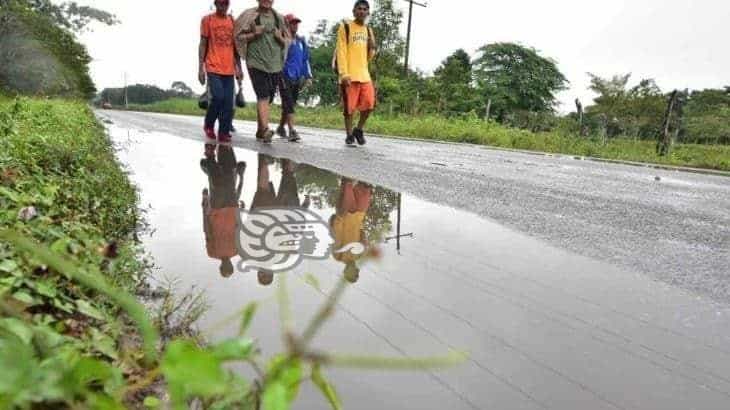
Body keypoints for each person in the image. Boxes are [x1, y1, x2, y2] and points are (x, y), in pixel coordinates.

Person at [234, 0, 291, 144]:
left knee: (269, 97)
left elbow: (289, 40)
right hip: (255, 62)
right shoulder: (249, 15)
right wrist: (253, 35)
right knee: (263, 95)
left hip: (275, 65)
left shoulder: (279, 17)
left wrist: (280, 39)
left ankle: (260, 130)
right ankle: (265, 129)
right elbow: (237, 37)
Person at [199, 0, 243, 143]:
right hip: (213, 66)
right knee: (218, 97)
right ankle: (209, 124)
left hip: (229, 69)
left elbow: (236, 48)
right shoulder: (207, 20)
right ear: (216, 3)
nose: (223, 6)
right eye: (221, 3)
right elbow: (203, 43)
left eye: (226, 3)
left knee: (228, 103)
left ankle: (223, 132)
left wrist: (239, 69)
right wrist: (201, 67)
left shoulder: (232, 21)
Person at [335, 0, 376, 146]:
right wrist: (344, 73)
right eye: (359, 8)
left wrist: (372, 48)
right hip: (349, 75)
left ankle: (358, 129)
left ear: (368, 13)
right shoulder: (345, 27)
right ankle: (349, 135)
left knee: (369, 104)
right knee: (349, 108)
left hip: (364, 74)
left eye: (365, 9)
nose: (362, 11)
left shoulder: (368, 30)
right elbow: (341, 51)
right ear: (354, 11)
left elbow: (369, 57)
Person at [201, 144, 246, 277]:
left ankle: (210, 155)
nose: (227, 266)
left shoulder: (212, 253)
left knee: (217, 183)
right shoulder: (236, 251)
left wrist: (205, 203)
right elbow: (239, 229)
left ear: (221, 267)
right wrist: (240, 212)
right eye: (229, 269)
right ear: (232, 266)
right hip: (232, 208)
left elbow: (207, 230)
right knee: (229, 178)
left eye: (224, 269)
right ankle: (225, 148)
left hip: (217, 210)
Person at [275, 14, 312, 142]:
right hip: (284, 75)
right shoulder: (282, 40)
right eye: (292, 23)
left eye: (296, 23)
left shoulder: (301, 41)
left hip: (296, 78)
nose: (294, 25)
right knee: (289, 103)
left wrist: (308, 76)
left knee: (290, 104)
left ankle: (281, 127)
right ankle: (292, 130)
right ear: (286, 24)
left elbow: (305, 60)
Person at [330, 178, 373, 283]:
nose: (356, 270)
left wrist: (339, 218)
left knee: (348, 183)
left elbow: (336, 235)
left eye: (354, 273)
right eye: (357, 272)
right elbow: (362, 234)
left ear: (346, 271)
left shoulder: (338, 256)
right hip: (359, 215)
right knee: (366, 188)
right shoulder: (359, 254)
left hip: (345, 215)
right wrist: (365, 242)